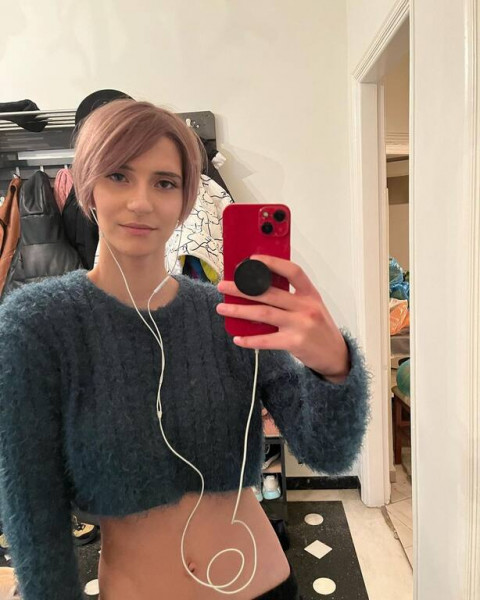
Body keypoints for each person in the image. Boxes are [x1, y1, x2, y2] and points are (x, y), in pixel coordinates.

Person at [0, 100, 371, 600]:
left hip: (264, 584)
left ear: (185, 198)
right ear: (88, 185)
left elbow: (329, 454)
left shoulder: (228, 314)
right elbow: (32, 502)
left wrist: (333, 368)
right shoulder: (38, 324)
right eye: (118, 175)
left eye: (164, 183)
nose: (141, 202)